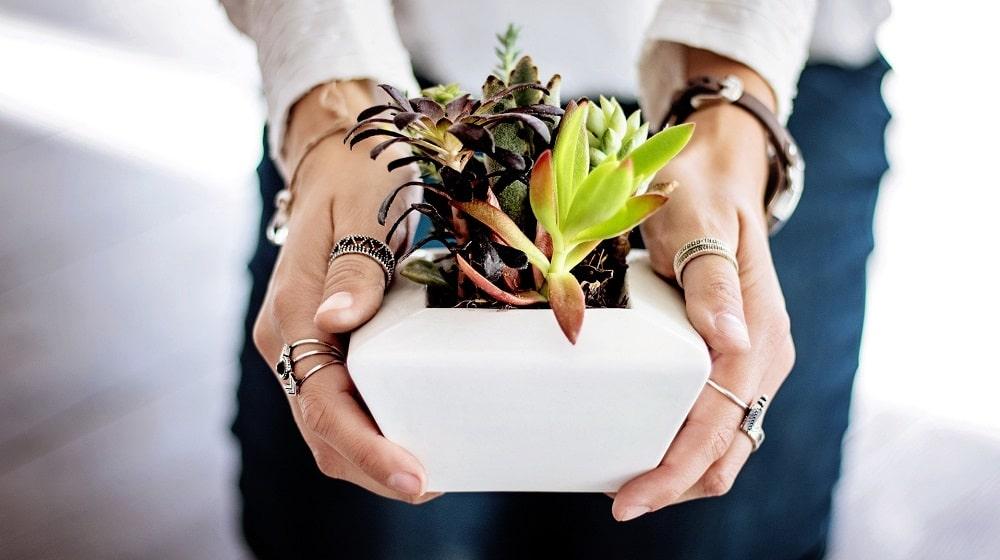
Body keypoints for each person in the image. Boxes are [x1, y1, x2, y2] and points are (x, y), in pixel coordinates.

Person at [222, 1, 891, 558]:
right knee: (358, 528)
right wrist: (328, 100)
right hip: (397, 113)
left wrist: (730, 85)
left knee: (716, 530)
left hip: (770, 86)